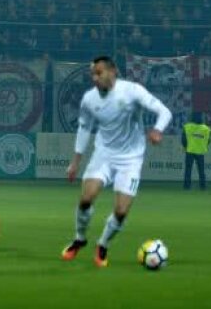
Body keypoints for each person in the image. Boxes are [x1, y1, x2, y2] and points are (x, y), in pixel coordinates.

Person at [62, 55, 172, 267]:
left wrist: (158, 129)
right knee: (86, 198)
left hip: (131, 159)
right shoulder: (89, 99)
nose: (95, 78)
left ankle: (102, 245)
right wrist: (75, 162)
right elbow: (84, 128)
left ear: (113, 71)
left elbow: (164, 111)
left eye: (99, 73)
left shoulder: (132, 91)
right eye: (92, 74)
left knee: (121, 211)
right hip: (103, 154)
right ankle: (79, 238)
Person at [181, 111, 211, 190]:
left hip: (190, 150)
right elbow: (208, 140)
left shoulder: (187, 126)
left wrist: (186, 146)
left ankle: (186, 186)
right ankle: (203, 186)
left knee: (188, 170)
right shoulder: (206, 128)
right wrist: (203, 145)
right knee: (201, 170)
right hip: (200, 151)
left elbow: (183, 139)